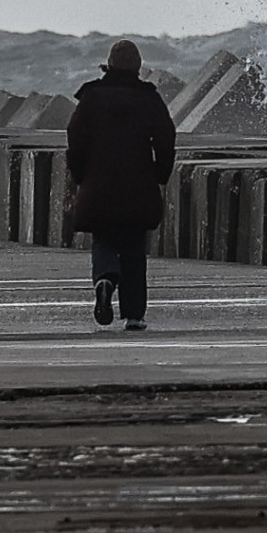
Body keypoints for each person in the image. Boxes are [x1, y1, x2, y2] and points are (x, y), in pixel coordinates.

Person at [65, 39, 176, 330]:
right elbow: (166, 139)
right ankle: (135, 314)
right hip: (138, 183)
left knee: (103, 237)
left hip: (98, 184)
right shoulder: (148, 98)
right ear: (138, 67)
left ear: (109, 65)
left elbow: (75, 139)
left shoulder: (91, 97)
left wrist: (79, 174)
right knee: (133, 244)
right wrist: (160, 174)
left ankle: (104, 278)